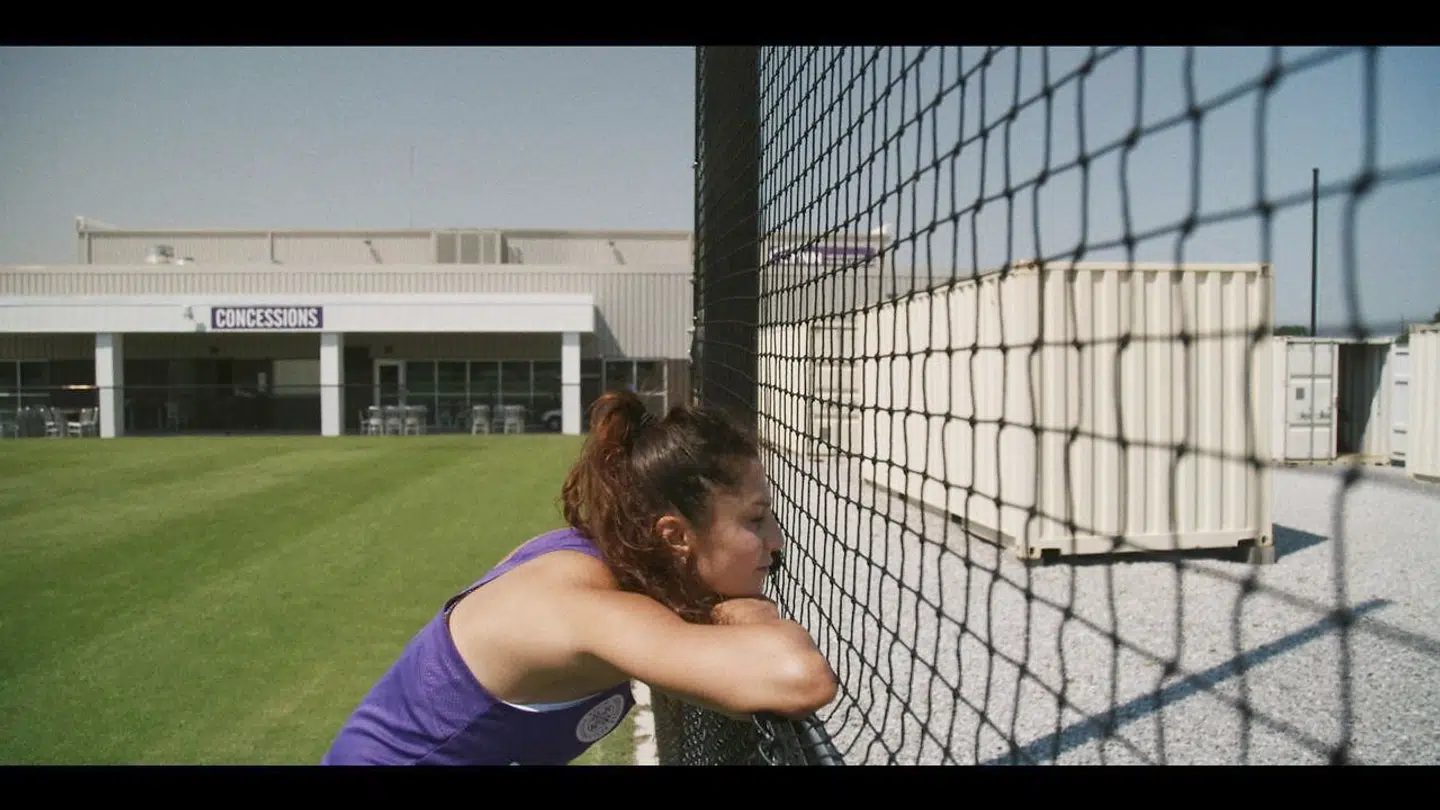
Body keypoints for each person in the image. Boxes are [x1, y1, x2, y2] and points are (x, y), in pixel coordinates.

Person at [320, 389, 838, 766]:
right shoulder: (585, 607)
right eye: (754, 519)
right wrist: (743, 609)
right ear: (676, 535)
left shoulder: (616, 566)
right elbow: (799, 678)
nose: (776, 542)